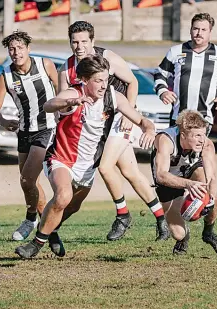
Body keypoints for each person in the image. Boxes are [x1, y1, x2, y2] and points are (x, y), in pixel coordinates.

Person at [15, 54, 158, 259]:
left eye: (106, 79)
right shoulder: (74, 92)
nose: (103, 85)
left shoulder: (113, 96)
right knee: (63, 196)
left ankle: (51, 231)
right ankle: (36, 244)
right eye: (98, 80)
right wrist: (70, 101)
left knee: (72, 206)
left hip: (88, 166)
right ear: (85, 80)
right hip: (61, 158)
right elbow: (49, 105)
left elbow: (142, 120)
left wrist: (149, 130)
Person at [59, 21, 170, 242]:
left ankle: (122, 215)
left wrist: (130, 112)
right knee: (130, 173)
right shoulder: (66, 68)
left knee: (105, 167)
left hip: (118, 117)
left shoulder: (107, 57)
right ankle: (161, 220)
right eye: (74, 42)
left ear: (92, 41)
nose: (79, 46)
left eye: (83, 41)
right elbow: (63, 104)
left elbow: (133, 82)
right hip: (96, 126)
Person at [154, 12, 217, 252]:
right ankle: (181, 236)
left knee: (209, 184)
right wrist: (163, 91)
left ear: (210, 32)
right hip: (178, 125)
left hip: (203, 124)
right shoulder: (176, 52)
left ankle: (209, 232)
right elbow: (160, 74)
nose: (198, 33)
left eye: (203, 29)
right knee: (177, 227)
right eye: (195, 29)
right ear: (190, 29)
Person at [0, 31, 61, 252]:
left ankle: (35, 221)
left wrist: (66, 110)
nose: (16, 53)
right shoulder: (5, 75)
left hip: (47, 128)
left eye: (20, 48)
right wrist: (3, 120)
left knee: (28, 179)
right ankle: (39, 223)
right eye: (12, 49)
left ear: (28, 49)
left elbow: (62, 90)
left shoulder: (45, 65)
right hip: (24, 131)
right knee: (27, 183)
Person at [151, 110, 217, 256]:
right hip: (169, 178)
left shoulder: (206, 145)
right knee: (178, 233)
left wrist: (210, 199)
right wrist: (188, 184)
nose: (202, 139)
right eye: (197, 136)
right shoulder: (166, 140)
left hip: (191, 168)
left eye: (203, 134)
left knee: (206, 183)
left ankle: (208, 232)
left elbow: (211, 177)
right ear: (183, 135)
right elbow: (161, 175)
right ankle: (183, 239)